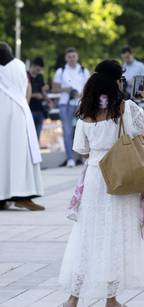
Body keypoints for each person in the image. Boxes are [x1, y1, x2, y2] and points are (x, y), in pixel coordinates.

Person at [59, 59, 144, 307]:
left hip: (95, 176)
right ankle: (111, 299)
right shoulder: (126, 108)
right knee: (115, 235)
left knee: (86, 235)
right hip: (121, 177)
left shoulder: (85, 114)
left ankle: (73, 299)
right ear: (117, 82)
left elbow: (81, 149)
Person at [0, 42, 45, 211]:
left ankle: (3, 197)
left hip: (1, 116)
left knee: (3, 155)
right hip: (19, 113)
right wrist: (24, 105)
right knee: (20, 155)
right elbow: (27, 87)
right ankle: (23, 195)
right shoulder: (19, 65)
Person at [53, 47, 90, 168]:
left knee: (84, 131)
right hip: (65, 103)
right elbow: (54, 88)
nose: (72, 59)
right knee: (67, 132)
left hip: (81, 103)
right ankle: (70, 159)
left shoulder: (84, 70)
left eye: (73, 56)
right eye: (69, 57)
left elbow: (90, 87)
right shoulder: (61, 71)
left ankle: (84, 157)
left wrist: (82, 94)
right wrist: (67, 89)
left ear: (77, 57)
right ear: (66, 58)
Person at [28, 57, 49, 140]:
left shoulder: (40, 76)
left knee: (37, 137)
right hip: (29, 110)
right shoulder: (25, 75)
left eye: (40, 70)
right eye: (37, 69)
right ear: (33, 66)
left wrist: (48, 100)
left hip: (40, 110)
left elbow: (42, 90)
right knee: (29, 136)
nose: (38, 71)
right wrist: (34, 95)